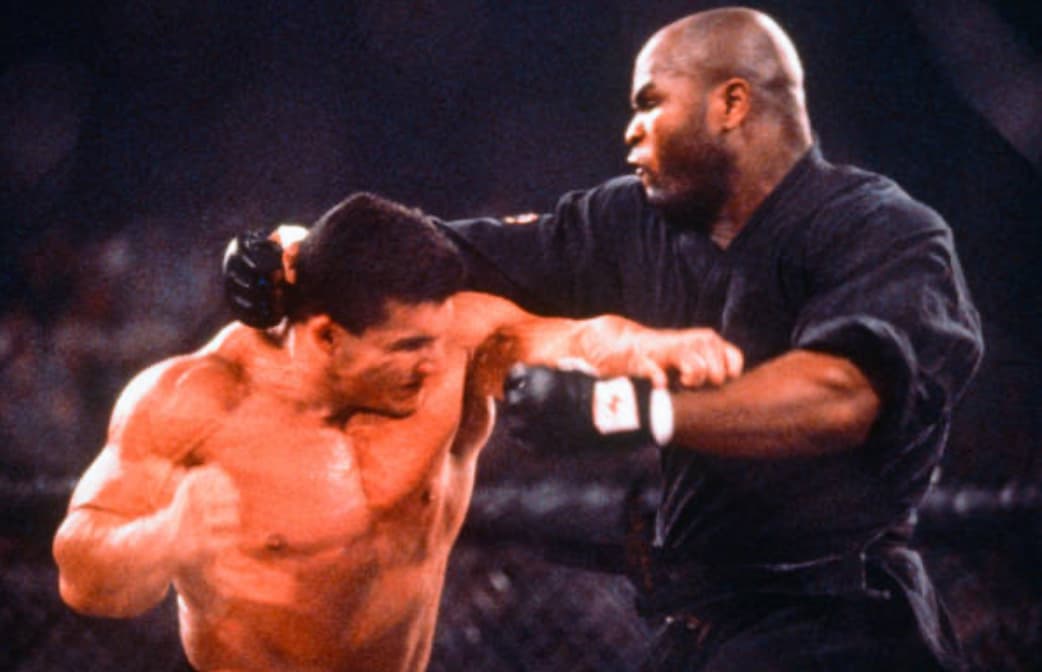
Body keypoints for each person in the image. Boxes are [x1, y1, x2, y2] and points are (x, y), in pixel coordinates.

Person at [222, 7, 983, 671]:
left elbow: (843, 396)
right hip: (708, 627)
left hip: (844, 628)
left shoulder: (882, 229)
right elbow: (447, 255)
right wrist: (295, 255)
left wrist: (627, 411)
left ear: (731, 103)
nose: (630, 129)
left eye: (650, 102)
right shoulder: (634, 224)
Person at [53, 192, 743, 672]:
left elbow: (570, 337)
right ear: (327, 336)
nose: (434, 363)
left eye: (437, 339)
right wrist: (166, 537)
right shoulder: (194, 401)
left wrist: (646, 346)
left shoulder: (451, 341)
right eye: (407, 347)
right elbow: (81, 574)